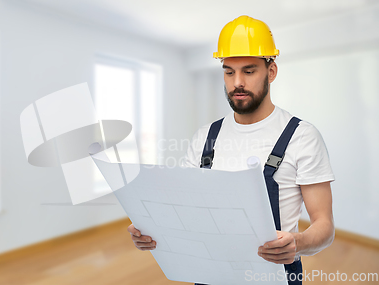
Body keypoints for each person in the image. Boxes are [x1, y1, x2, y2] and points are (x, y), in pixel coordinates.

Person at [126, 15, 335, 284]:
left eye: (249, 71)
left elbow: (325, 227)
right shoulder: (205, 137)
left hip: (273, 277)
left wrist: (298, 242)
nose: (237, 82)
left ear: (271, 72)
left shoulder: (302, 136)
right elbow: (185, 210)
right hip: (208, 274)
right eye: (228, 71)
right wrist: (152, 229)